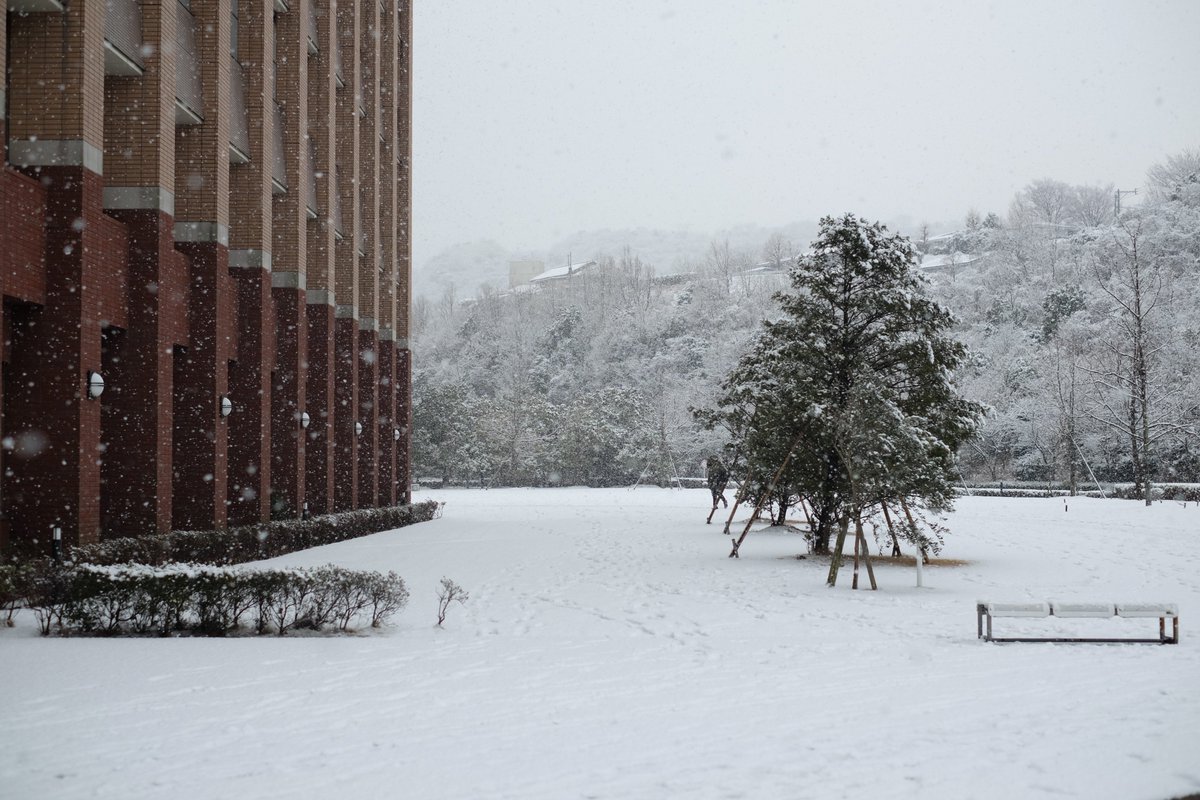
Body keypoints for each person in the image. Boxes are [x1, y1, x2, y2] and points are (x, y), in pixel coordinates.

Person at [705, 456, 730, 523]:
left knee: (717, 492)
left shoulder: (718, 466)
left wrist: (720, 479)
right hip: (713, 481)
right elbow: (710, 472)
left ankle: (724, 501)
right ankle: (715, 505)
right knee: (713, 493)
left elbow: (723, 473)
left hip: (717, 481)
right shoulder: (713, 467)